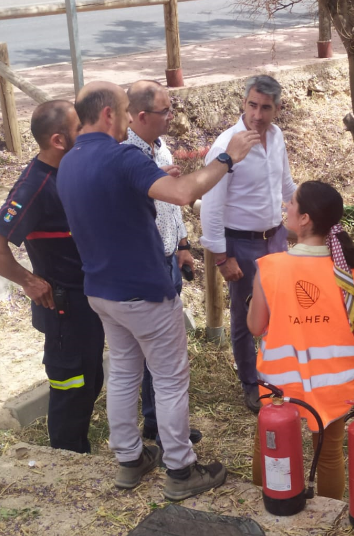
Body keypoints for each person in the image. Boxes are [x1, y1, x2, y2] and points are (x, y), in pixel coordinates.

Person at [56, 81, 260, 499]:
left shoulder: (70, 160)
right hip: (143, 291)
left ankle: (129, 459)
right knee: (169, 380)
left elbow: (118, 204)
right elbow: (185, 193)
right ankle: (182, 471)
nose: (130, 117)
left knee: (125, 373)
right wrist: (226, 157)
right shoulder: (123, 156)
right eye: (125, 110)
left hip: (101, 291)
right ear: (111, 114)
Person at [0, 100, 104, 455]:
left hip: (87, 302)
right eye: (81, 128)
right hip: (64, 307)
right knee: (71, 385)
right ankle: (65, 460)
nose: (89, 131)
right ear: (59, 140)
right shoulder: (36, 185)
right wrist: (28, 281)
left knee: (90, 381)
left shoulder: (70, 172)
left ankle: (78, 451)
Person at [247, 180, 354, 500]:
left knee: (268, 446)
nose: (286, 206)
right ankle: (328, 520)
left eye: (291, 202)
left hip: (279, 381)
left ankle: (267, 509)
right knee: (329, 455)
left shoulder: (270, 268)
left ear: (305, 219)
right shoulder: (348, 272)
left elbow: (255, 326)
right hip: (333, 381)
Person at [200, 74, 297, 415]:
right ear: (244, 103)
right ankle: (250, 383)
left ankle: (278, 374)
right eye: (252, 105)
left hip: (276, 238)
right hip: (240, 244)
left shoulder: (277, 136)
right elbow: (211, 204)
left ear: (277, 109)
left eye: (265, 108)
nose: (257, 114)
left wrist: (313, 214)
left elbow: (285, 186)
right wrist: (221, 257)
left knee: (281, 311)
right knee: (244, 317)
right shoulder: (227, 146)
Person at [123, 80, 202, 446]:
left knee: (169, 353)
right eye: (165, 111)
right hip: (146, 266)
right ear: (141, 116)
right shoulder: (126, 155)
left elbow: (171, 204)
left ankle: (163, 424)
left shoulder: (161, 148)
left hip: (169, 258)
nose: (172, 117)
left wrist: (183, 244)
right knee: (155, 356)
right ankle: (159, 429)